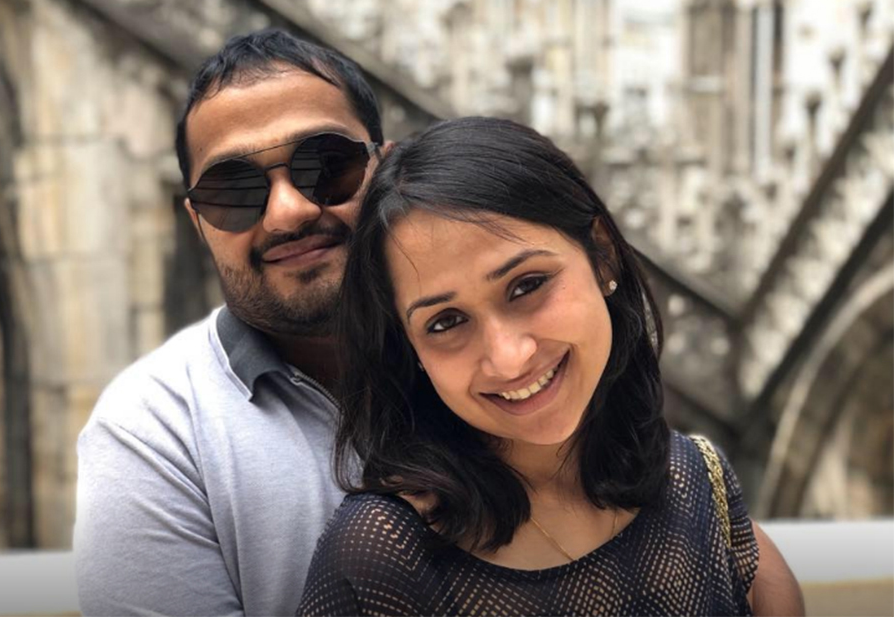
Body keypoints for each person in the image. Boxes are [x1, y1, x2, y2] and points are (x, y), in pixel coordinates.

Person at [297, 117, 805, 616]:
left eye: (527, 286)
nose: (509, 357)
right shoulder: (380, 563)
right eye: (446, 322)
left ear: (602, 255)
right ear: (410, 349)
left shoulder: (698, 484)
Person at [74, 29, 385, 616]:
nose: (288, 212)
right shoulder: (154, 431)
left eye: (326, 165)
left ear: (385, 168)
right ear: (198, 222)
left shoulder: (500, 354)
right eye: (234, 189)